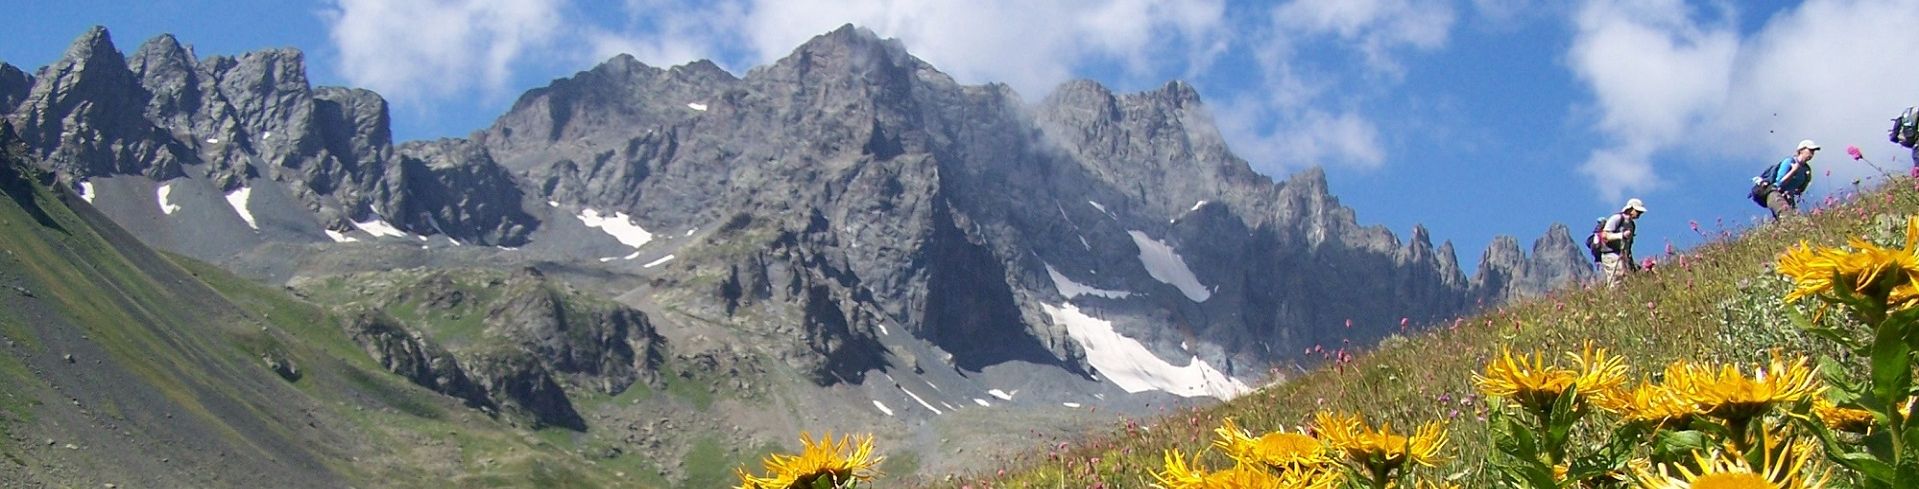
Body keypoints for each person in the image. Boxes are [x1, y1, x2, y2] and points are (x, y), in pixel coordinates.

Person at [1760, 139, 1818, 219]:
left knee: (1795, 221)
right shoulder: (1789, 162)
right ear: (1801, 150)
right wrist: (1793, 171)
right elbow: (1779, 182)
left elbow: (1800, 190)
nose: (1812, 153)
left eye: (1813, 151)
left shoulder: (1806, 169)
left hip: (1788, 198)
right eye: (1810, 150)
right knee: (1787, 217)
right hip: (1775, 193)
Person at [1597, 198, 1645, 287]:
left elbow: (1628, 245)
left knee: (1625, 279)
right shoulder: (1616, 218)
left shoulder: (1632, 225)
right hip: (1610, 254)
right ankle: (1612, 298)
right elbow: (1605, 236)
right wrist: (1621, 235)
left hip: (1623, 255)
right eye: (1638, 211)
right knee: (1616, 279)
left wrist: (1630, 261)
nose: (1639, 214)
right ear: (1630, 209)